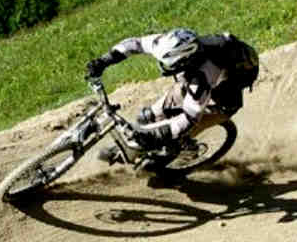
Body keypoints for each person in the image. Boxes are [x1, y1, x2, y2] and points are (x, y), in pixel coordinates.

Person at [84, 28, 259, 159]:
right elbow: (135, 44)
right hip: (204, 68)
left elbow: (190, 118)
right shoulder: (168, 42)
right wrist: (103, 61)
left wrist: (156, 134)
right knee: (147, 117)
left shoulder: (204, 76)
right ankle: (141, 146)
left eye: (172, 66)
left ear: (187, 61)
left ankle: (184, 149)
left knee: (171, 135)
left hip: (228, 88)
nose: (166, 68)